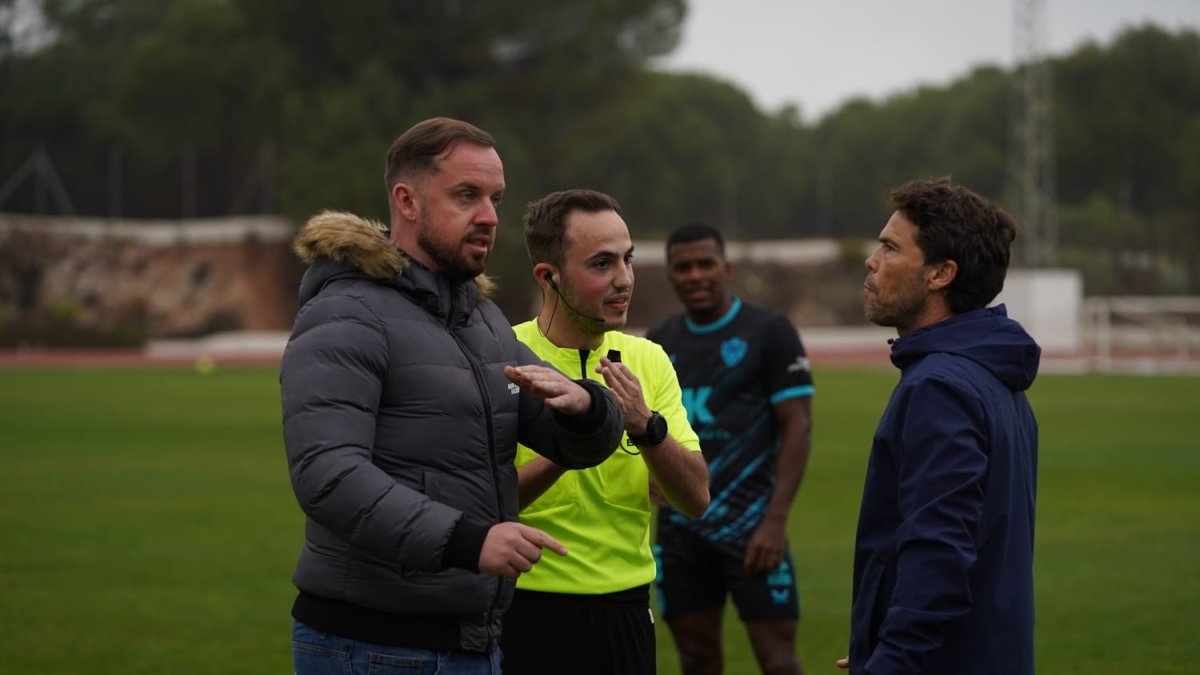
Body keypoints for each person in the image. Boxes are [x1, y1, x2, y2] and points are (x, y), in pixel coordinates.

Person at [279, 118, 625, 675]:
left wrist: (588, 408)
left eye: (495, 198)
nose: (489, 216)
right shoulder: (346, 313)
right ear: (407, 201)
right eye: (467, 195)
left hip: (471, 642)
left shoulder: (479, 318)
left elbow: (573, 439)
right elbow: (328, 475)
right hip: (373, 646)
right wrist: (467, 542)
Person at [499, 188, 710, 675]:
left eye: (628, 259)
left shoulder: (647, 360)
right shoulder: (500, 357)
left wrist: (645, 427)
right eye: (601, 264)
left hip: (625, 610)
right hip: (524, 605)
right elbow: (486, 505)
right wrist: (577, 441)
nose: (624, 280)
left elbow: (696, 497)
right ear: (548, 277)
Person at [836, 177, 1040, 675]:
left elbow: (940, 549)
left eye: (889, 247)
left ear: (940, 274)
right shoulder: (994, 379)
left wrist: (894, 660)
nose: (871, 260)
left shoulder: (940, 386)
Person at [646, 222, 814, 675]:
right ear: (670, 275)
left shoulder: (769, 332)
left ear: (726, 269)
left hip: (753, 528)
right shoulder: (659, 344)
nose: (696, 275)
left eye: (706, 264)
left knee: (779, 662)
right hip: (681, 534)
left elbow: (797, 426)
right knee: (697, 661)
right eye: (684, 267)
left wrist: (776, 521)